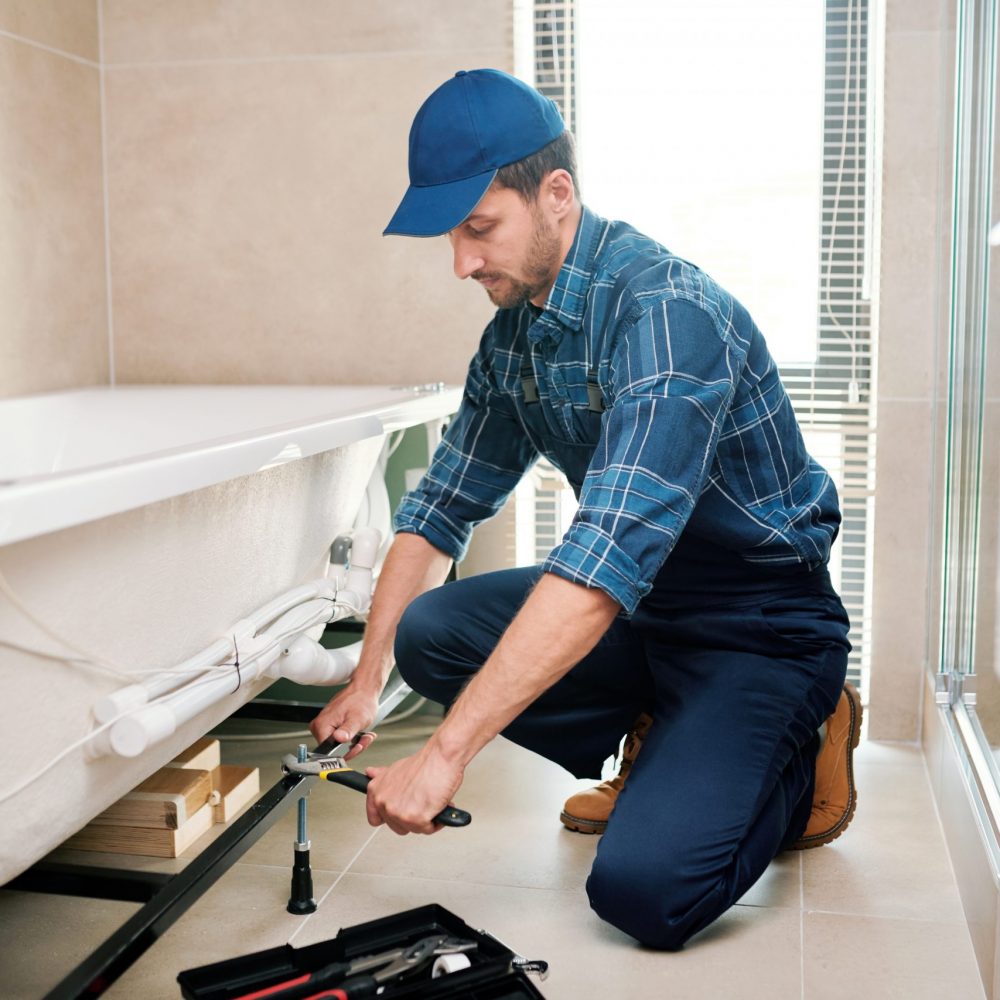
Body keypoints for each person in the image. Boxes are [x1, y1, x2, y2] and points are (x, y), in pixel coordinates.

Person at [311, 68, 861, 950]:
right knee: (430, 635)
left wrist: (444, 754)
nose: (461, 262)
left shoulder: (667, 314)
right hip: (648, 612)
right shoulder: (516, 334)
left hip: (755, 622)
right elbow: (439, 509)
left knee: (646, 895)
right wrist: (370, 679)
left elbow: (602, 558)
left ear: (556, 194)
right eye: (453, 234)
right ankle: (663, 732)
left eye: (479, 228)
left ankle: (807, 736)